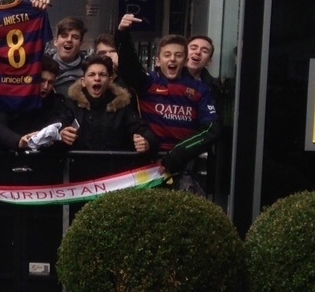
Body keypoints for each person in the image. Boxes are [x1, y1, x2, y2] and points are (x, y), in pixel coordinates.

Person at [115, 14, 221, 179]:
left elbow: (210, 130)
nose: (172, 59)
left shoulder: (201, 90)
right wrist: (122, 32)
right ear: (158, 60)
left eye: (178, 55)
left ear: (185, 60)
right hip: (147, 165)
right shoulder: (148, 83)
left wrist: (177, 155)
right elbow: (129, 65)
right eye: (167, 55)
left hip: (184, 166)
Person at [62, 56, 156, 154]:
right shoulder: (72, 104)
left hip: (113, 166)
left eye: (102, 74)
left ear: (110, 80)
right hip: (80, 165)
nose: (97, 78)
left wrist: (146, 141)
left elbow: (142, 130)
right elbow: (60, 122)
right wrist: (62, 133)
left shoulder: (121, 105)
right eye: (91, 75)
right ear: (83, 81)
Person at [0, 56, 76, 153]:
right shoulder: (10, 99)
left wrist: (56, 132)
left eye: (50, 82)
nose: (46, 86)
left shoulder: (57, 103)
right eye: (42, 80)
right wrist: (19, 141)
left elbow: (61, 119)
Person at [51, 17, 88, 96]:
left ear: (81, 44)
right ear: (55, 41)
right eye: (64, 35)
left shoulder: (88, 74)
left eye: (75, 37)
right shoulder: (40, 67)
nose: (69, 40)